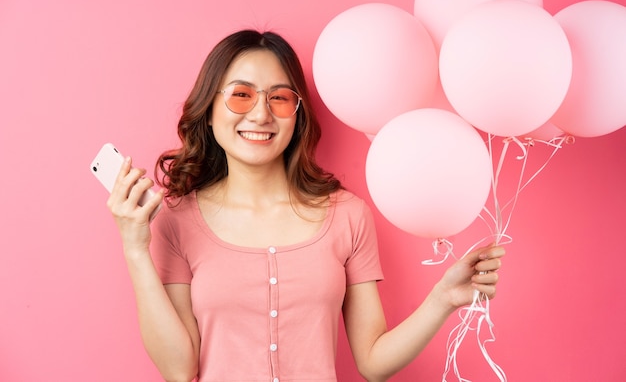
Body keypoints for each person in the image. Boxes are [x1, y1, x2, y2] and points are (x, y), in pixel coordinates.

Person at [107, 29, 505, 382]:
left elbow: (372, 362)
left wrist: (443, 299)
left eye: (279, 99)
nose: (261, 114)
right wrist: (135, 248)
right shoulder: (178, 221)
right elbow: (179, 370)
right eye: (241, 95)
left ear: (296, 116)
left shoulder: (347, 215)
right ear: (209, 112)